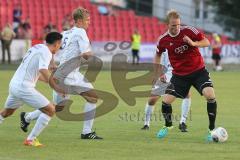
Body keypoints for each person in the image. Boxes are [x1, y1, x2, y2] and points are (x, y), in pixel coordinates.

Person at [20, 7, 103, 140]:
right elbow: (86, 55)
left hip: (62, 74)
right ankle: (87, 132)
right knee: (92, 98)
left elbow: (48, 47)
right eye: (87, 20)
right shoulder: (81, 32)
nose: (89, 22)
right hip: (68, 75)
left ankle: (27, 117)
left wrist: (52, 63)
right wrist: (91, 54)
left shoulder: (65, 33)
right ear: (80, 21)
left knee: (58, 107)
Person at [154, 10, 217, 142]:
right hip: (179, 75)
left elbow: (206, 42)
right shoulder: (163, 39)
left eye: (178, 25)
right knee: (165, 101)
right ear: (167, 24)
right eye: (173, 25)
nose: (176, 27)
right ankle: (168, 125)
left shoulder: (189, 31)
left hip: (198, 71)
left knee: (210, 95)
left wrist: (194, 44)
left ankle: (211, 129)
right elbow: (158, 54)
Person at [0, 32, 63, 147]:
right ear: (57, 43)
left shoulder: (38, 47)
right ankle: (31, 139)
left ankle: (29, 132)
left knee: (6, 112)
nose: (60, 47)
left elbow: (37, 72)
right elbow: (43, 70)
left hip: (15, 85)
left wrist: (51, 77)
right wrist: (56, 86)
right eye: (60, 44)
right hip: (24, 88)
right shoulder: (46, 52)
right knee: (50, 110)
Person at [141, 51, 191, 132]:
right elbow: (157, 59)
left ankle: (182, 122)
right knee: (152, 99)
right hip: (165, 74)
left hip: (179, 74)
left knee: (187, 94)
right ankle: (146, 123)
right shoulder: (164, 42)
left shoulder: (184, 42)